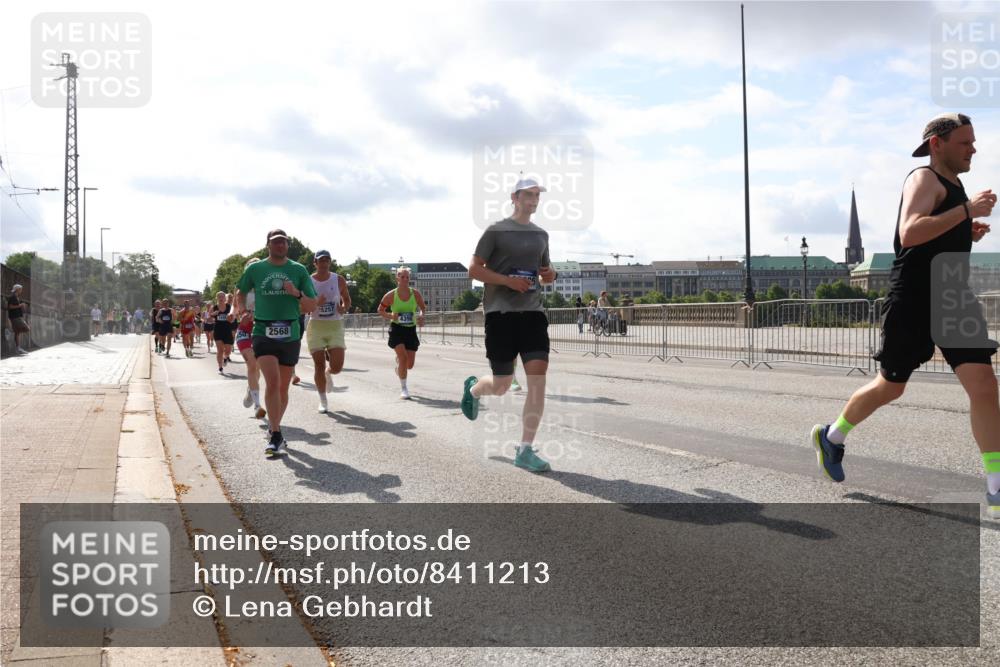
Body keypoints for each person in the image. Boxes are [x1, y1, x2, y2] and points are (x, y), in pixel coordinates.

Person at [810, 113, 1000, 518]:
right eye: (965, 143)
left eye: (973, 142)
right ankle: (832, 435)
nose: (973, 149)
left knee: (984, 385)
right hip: (914, 297)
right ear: (938, 144)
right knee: (891, 386)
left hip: (952, 295)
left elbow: (933, 233)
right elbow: (910, 231)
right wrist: (966, 211)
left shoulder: (953, 184)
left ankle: (996, 486)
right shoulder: (923, 178)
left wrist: (965, 231)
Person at [460, 177, 558, 472]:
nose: (534, 199)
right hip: (500, 314)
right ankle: (475, 390)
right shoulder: (496, 231)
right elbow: (474, 270)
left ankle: (525, 450)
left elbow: (545, 272)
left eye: (537, 195)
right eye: (528, 194)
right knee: (502, 385)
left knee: (537, 383)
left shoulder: (542, 235)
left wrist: (550, 274)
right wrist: (507, 281)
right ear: (514, 197)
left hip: (533, 314)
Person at [236, 229, 317, 457]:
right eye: (276, 242)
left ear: (287, 245)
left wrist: (297, 294)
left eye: (283, 242)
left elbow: (311, 306)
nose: (280, 245)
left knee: (282, 386)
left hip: (290, 331)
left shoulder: (298, 270)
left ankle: (275, 430)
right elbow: (240, 292)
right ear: (268, 245)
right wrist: (242, 309)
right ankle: (275, 433)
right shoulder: (256, 268)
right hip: (263, 329)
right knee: (272, 383)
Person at [307, 249, 352, 413]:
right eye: (321, 260)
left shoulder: (338, 279)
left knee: (337, 367)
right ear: (315, 263)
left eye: (327, 260)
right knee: (318, 365)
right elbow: (304, 305)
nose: (324, 263)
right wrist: (316, 303)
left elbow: (347, 299)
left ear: (330, 262)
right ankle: (323, 400)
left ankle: (329, 372)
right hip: (316, 326)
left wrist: (343, 308)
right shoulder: (309, 281)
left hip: (335, 326)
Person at [377, 266, 426, 400]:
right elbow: (380, 310)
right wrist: (391, 316)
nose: (405, 279)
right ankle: (404, 388)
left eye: (407, 277)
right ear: (397, 278)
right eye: (402, 277)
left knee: (409, 365)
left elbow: (422, 308)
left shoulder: (415, 294)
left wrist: (421, 316)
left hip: (410, 329)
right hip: (397, 329)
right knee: (403, 358)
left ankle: (400, 367)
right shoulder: (391, 295)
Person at [235, 258, 266, 420]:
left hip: (261, 331)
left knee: (257, 369)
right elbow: (236, 307)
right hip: (244, 331)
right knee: (252, 365)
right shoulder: (241, 289)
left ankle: (250, 389)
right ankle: (257, 405)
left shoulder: (266, 287)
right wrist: (237, 313)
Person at [211, 291, 235, 374]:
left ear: (225, 298)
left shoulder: (229, 307)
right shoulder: (214, 307)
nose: (221, 298)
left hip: (227, 330)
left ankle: (225, 357)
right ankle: (220, 367)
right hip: (218, 330)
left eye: (222, 296)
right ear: (217, 298)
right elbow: (207, 318)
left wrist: (230, 317)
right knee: (220, 350)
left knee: (228, 350)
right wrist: (212, 314)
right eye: (219, 297)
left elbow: (232, 319)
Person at [5, 284, 30, 354]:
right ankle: (10, 331)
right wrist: (20, 305)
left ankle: (18, 348)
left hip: (16, 316)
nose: (21, 291)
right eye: (20, 289)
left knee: (17, 332)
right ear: (17, 289)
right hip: (15, 317)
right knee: (27, 328)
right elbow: (10, 307)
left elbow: (15, 307)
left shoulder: (16, 297)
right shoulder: (13, 297)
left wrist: (21, 307)